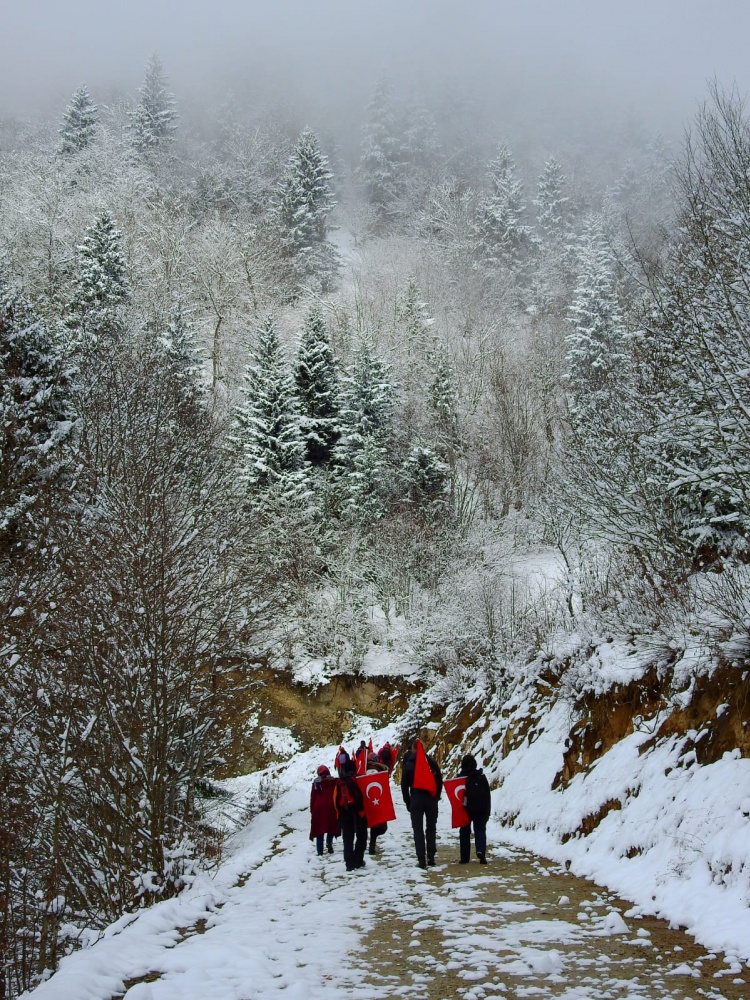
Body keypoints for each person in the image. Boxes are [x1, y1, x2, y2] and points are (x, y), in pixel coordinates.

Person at [401, 739, 443, 869]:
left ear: (413, 750)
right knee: (431, 828)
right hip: (430, 799)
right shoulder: (431, 763)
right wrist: (436, 797)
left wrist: (408, 801)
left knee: (418, 829)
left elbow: (404, 786)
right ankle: (431, 855)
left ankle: (421, 859)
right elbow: (439, 781)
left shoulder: (408, 764)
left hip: (416, 799)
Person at [333, 759, 367, 871]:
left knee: (347, 839)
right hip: (357, 813)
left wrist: (338, 816)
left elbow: (335, 801)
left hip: (344, 814)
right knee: (361, 836)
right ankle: (358, 860)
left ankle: (349, 863)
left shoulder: (339, 782)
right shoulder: (356, 780)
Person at [457, 754, 491, 864]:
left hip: (465, 808)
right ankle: (480, 851)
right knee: (480, 830)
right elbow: (487, 795)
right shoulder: (481, 777)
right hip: (480, 808)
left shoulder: (460, 779)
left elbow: (455, 796)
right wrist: (487, 811)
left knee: (464, 832)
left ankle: (464, 857)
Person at [309, 764, 340, 856]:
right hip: (331, 807)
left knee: (319, 829)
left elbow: (313, 797)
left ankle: (320, 851)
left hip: (318, 808)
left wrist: (312, 809)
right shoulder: (334, 781)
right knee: (331, 827)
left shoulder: (316, 782)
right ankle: (329, 843)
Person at [365, 754, 389, 856]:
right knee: (379, 825)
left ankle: (367, 845)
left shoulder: (362, 769)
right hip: (378, 800)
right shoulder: (380, 769)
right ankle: (372, 844)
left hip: (366, 800)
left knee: (368, 823)